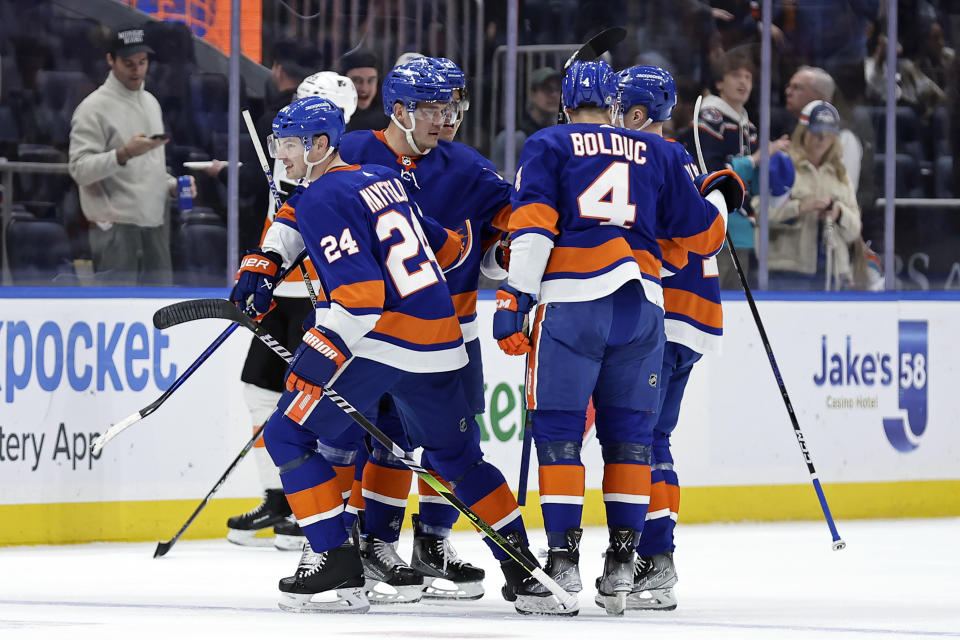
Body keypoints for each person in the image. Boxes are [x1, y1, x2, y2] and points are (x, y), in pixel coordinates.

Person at [231, 96, 539, 613]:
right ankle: (525, 571)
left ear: (320, 145)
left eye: (287, 145)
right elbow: (448, 250)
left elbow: (360, 300)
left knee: (288, 431)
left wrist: (314, 359)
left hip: (382, 340)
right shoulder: (382, 179)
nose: (279, 155)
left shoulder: (322, 198)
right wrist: (266, 261)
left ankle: (335, 564)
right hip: (442, 341)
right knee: (458, 459)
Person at [494, 59, 739, 616]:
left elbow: (531, 224)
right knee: (632, 439)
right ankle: (625, 566)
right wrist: (723, 197)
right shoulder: (657, 152)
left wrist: (516, 296)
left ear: (564, 105)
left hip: (574, 304)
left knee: (558, 433)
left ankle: (561, 565)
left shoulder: (548, 143)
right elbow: (701, 235)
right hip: (644, 308)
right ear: (613, 106)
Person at [336, 58, 513, 603]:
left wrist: (508, 257)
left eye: (453, 106)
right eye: (436, 107)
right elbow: (312, 206)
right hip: (377, 331)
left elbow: (517, 227)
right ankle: (367, 544)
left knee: (452, 443)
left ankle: (432, 543)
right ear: (400, 108)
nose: (448, 118)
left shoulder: (470, 169)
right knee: (375, 440)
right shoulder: (355, 151)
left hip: (453, 332)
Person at [224, 72, 358, 551]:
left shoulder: (350, 158)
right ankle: (280, 498)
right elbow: (278, 221)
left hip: (325, 303)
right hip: (281, 293)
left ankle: (312, 510)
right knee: (258, 388)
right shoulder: (287, 148)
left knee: (313, 404)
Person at [68, 24, 196, 286]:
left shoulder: (150, 102)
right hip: (116, 227)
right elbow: (79, 169)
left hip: (155, 223)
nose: (137, 69)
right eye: (128, 63)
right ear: (110, 60)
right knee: (116, 309)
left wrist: (172, 185)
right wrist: (123, 154)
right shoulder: (92, 108)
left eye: (142, 61)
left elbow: (151, 166)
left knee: (161, 313)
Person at [697, 49, 789, 289]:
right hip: (716, 229)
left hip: (743, 233)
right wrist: (754, 161)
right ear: (719, 82)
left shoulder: (749, 126)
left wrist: (775, 167)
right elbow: (708, 171)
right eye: (735, 75)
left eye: (748, 77)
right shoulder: (710, 118)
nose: (743, 82)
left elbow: (755, 184)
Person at [765, 101, 862, 290]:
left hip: (833, 271)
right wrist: (800, 208)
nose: (821, 139)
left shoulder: (840, 174)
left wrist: (838, 213)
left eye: (828, 134)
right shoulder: (783, 165)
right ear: (803, 132)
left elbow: (854, 230)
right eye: (816, 132)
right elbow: (762, 214)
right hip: (788, 271)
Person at [491, 66, 562, 172]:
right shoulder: (513, 138)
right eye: (547, 89)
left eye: (558, 89)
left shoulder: (560, 133)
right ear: (532, 94)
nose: (554, 95)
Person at [340, 48, 390, 132]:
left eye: (371, 80)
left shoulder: (391, 117)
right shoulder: (331, 117)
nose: (364, 89)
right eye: (357, 80)